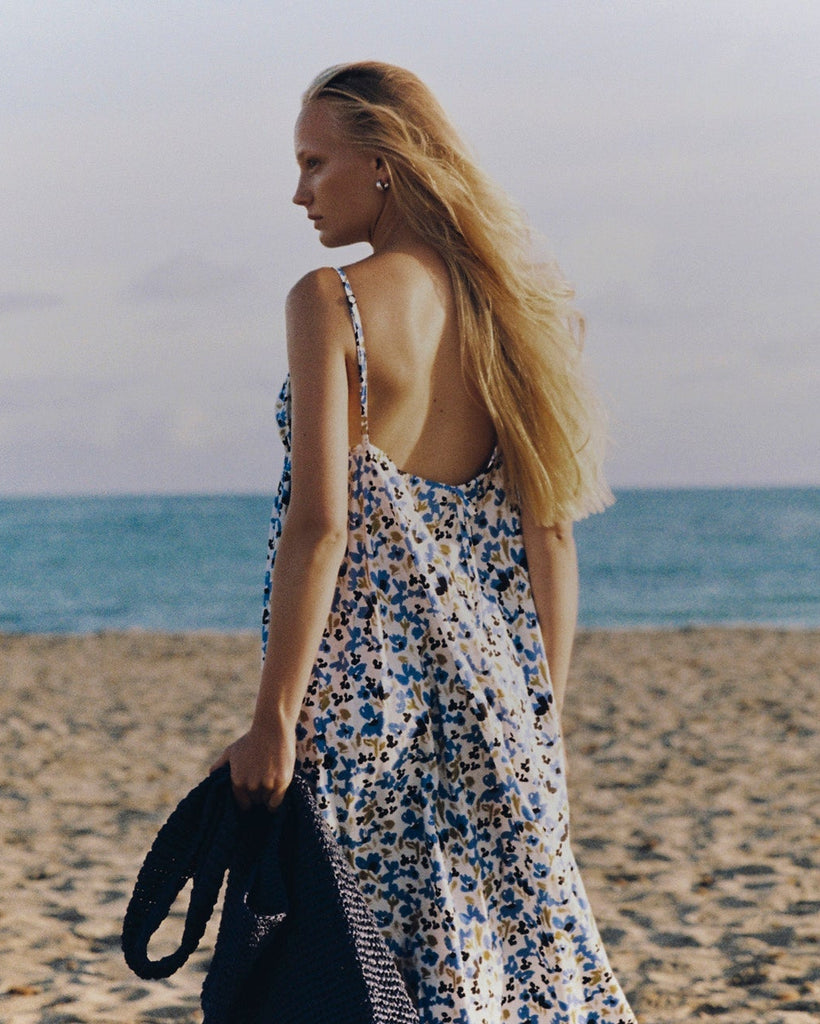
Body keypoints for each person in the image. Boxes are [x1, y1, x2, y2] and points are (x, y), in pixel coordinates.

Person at [211, 61, 636, 1023]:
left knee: (351, 969)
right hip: (498, 701)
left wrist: (274, 715)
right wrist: (540, 715)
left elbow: (321, 530)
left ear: (386, 161)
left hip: (363, 693)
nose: (299, 191)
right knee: (490, 966)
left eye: (316, 162)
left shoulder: (332, 301)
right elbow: (552, 537)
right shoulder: (508, 316)